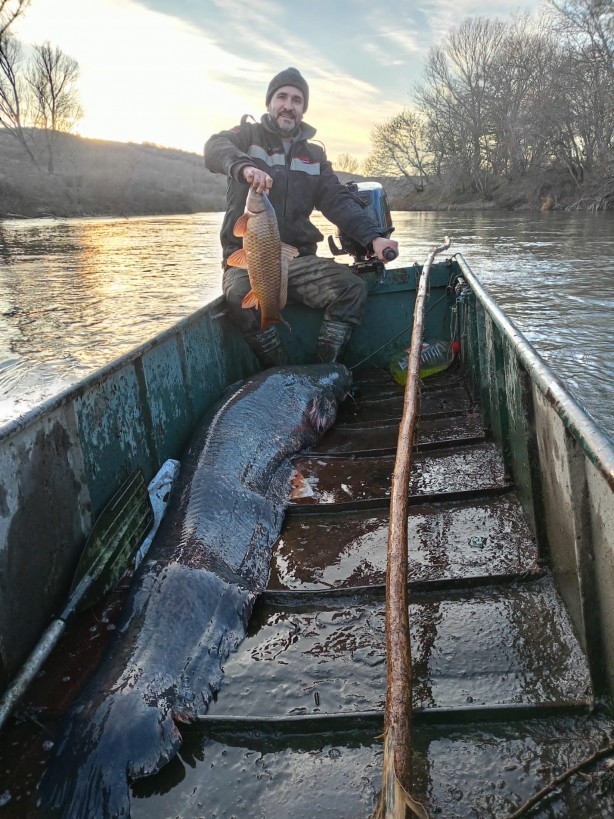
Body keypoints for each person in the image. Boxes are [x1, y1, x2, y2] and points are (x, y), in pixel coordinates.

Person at [204, 67, 399, 367]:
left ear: (303, 109)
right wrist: (244, 167)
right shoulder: (246, 137)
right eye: (281, 97)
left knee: (352, 288)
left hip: (297, 262)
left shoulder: (314, 156)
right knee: (238, 296)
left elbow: (338, 200)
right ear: (269, 103)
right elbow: (214, 148)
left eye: (296, 100)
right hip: (249, 262)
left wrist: (373, 236)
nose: (288, 105)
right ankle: (279, 372)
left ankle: (323, 372)